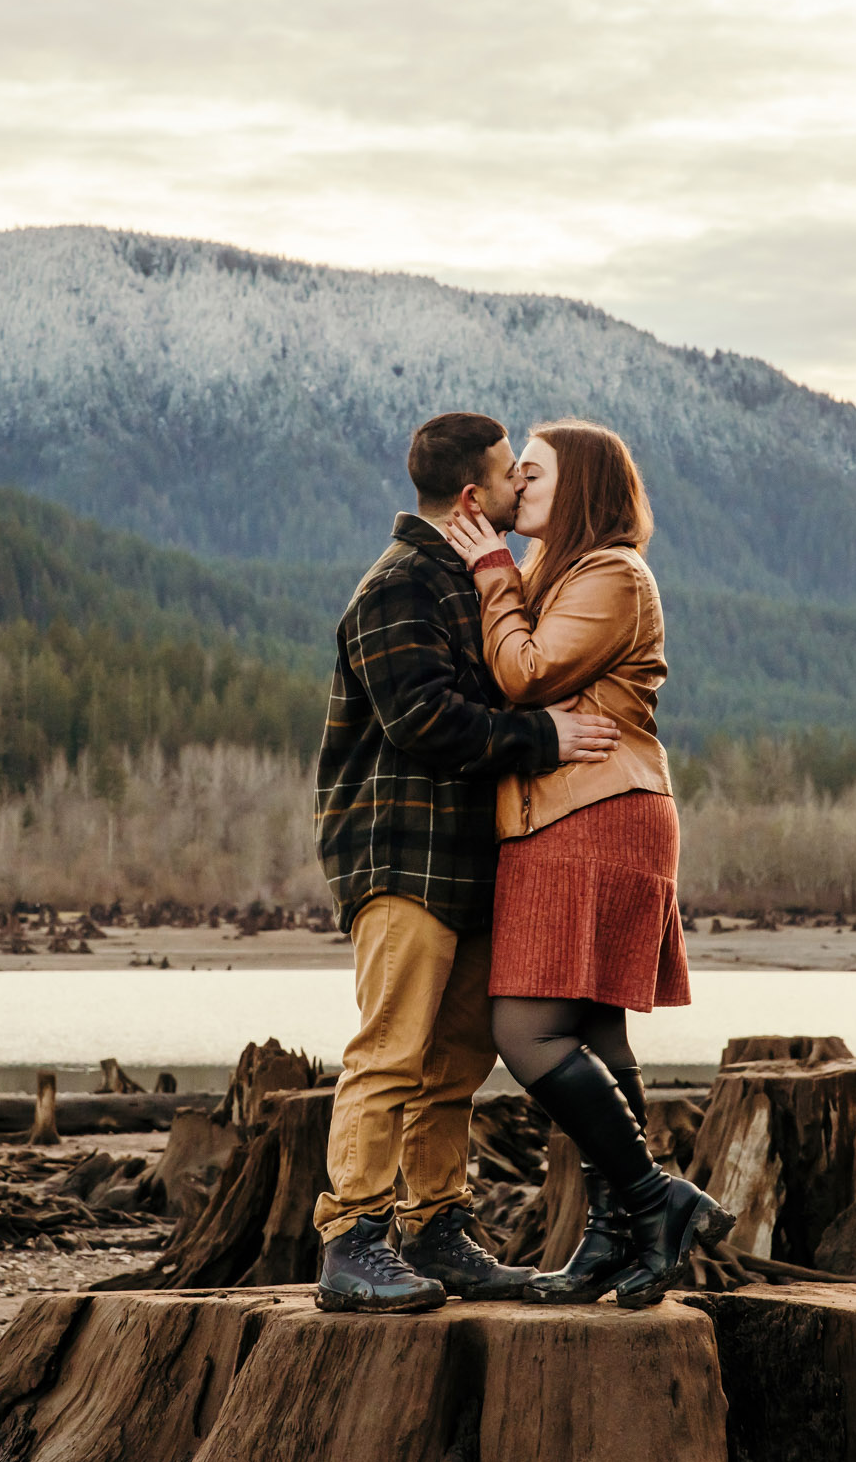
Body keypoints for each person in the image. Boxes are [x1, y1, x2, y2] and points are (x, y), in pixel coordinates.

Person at [312, 411, 623, 1314]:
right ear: (470, 497)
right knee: (390, 1049)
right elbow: (426, 722)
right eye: (510, 478)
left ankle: (434, 1226)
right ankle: (352, 1238)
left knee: (454, 1059)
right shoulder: (397, 586)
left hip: (476, 863)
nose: (523, 489)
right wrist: (546, 736)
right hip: (400, 856)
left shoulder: (478, 581)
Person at [440, 418, 732, 1309]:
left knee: (522, 1029)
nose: (516, 481)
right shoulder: (558, 573)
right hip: (579, 812)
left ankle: (652, 1199)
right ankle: (615, 1234)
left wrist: (491, 574)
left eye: (534, 471)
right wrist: (506, 577)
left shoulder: (611, 573)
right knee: (599, 1035)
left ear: (585, 489)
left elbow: (522, 673)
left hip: (592, 813)